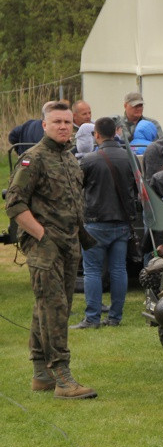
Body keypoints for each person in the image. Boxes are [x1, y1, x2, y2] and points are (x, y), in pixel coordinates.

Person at [5, 101, 97, 399]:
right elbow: (14, 204)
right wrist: (41, 235)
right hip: (45, 247)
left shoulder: (69, 159)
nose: (62, 126)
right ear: (44, 125)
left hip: (70, 245)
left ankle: (41, 374)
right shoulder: (34, 159)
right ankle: (62, 377)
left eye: (67, 122)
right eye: (56, 121)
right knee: (54, 309)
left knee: (49, 306)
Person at [71, 117, 138, 330]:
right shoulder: (131, 158)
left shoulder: (89, 160)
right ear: (116, 132)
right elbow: (136, 190)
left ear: (96, 135)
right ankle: (115, 317)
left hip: (95, 221)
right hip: (122, 222)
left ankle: (92, 318)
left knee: (92, 271)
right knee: (119, 269)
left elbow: (77, 189)